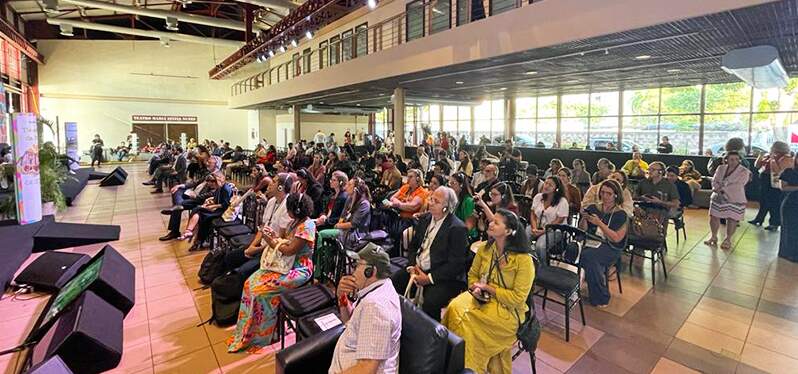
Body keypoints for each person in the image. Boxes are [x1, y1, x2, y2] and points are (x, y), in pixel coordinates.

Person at [443, 209, 534, 373]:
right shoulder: (485, 248)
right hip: (481, 298)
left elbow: (518, 299)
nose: (490, 223)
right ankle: (453, 361)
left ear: (508, 231)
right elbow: (472, 275)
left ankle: (468, 367)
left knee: (465, 321)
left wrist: (488, 289)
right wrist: (475, 288)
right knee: (454, 307)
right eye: (492, 221)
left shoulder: (524, 261)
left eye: (496, 222)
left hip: (508, 310)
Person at [227, 193, 316, 353]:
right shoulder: (296, 221)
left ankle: (266, 333)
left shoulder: (307, 226)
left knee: (260, 291)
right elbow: (285, 241)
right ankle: (249, 330)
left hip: (298, 269)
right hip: (284, 265)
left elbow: (290, 250)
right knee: (250, 283)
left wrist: (270, 241)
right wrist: (273, 236)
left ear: (294, 210)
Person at [391, 187, 469, 321]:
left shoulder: (457, 228)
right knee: (393, 282)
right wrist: (411, 266)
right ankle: (398, 320)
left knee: (430, 302)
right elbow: (414, 246)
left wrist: (428, 278)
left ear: (446, 207)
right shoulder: (426, 218)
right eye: (431, 198)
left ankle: (432, 335)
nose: (431, 203)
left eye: (436, 201)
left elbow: (455, 264)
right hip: (418, 268)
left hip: (444, 277)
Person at [330, 243, 401, 374]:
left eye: (356, 266)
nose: (352, 270)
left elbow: (367, 369)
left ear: (370, 271)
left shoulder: (376, 308)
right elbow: (349, 321)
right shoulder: (377, 287)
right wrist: (342, 297)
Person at [578, 180, 629, 307]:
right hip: (591, 240)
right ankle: (571, 285)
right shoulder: (593, 208)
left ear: (616, 195)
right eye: (602, 192)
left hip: (610, 246)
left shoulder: (621, 214)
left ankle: (601, 296)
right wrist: (584, 218)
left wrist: (599, 223)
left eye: (609, 193)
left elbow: (616, 238)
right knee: (573, 250)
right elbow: (582, 230)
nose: (605, 196)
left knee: (589, 256)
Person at [705, 152, 751, 250]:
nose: (734, 161)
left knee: (732, 218)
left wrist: (723, 188)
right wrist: (716, 188)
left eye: (736, 159)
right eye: (731, 159)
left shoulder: (744, 171)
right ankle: (713, 236)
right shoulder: (721, 168)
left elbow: (739, 184)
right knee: (714, 216)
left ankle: (728, 239)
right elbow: (715, 180)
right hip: (718, 196)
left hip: (735, 197)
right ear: (726, 160)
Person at [750, 141, 794, 231]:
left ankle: (774, 223)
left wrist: (773, 160)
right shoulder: (767, 155)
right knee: (764, 201)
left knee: (774, 204)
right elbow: (757, 166)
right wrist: (761, 156)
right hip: (765, 181)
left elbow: (780, 172)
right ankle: (759, 219)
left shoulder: (785, 158)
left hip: (776, 184)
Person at [529, 176, 569, 261]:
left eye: (550, 185)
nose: (546, 186)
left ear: (556, 189)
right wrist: (534, 227)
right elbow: (533, 214)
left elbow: (559, 221)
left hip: (555, 229)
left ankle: (543, 267)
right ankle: (528, 263)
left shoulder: (562, 201)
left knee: (540, 246)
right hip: (538, 225)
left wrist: (543, 231)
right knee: (523, 238)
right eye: (546, 183)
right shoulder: (538, 197)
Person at [337, 177, 373, 247]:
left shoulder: (364, 204)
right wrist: (339, 224)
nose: (346, 186)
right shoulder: (349, 199)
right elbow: (343, 215)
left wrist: (338, 226)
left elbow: (353, 224)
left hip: (357, 233)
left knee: (323, 234)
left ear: (355, 189)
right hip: (344, 230)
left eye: (349, 185)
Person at [778, 156, 798, 262]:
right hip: (791, 203)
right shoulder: (789, 171)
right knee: (790, 228)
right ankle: (788, 253)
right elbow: (783, 187)